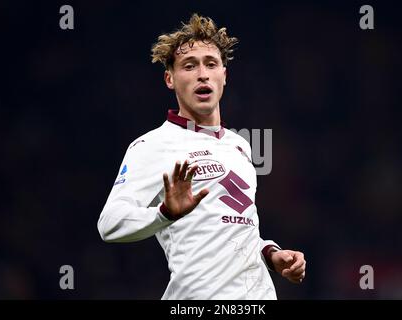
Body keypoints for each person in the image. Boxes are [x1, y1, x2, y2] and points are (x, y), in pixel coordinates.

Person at [97, 13, 306, 300]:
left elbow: (231, 229)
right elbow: (110, 224)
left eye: (211, 64)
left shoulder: (240, 146)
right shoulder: (152, 145)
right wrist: (164, 213)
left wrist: (270, 253)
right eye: (189, 66)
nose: (202, 74)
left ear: (224, 75)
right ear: (170, 79)